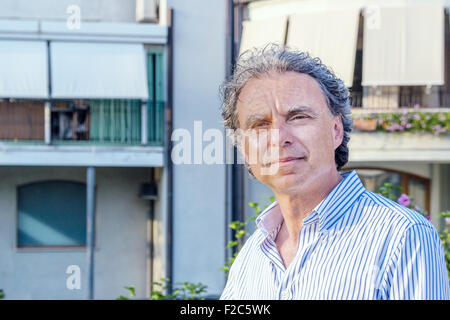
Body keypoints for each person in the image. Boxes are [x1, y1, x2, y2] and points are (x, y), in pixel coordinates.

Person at [219, 44, 449, 300]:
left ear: (336, 130)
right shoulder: (250, 259)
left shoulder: (403, 237)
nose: (278, 138)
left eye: (298, 117)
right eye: (260, 125)